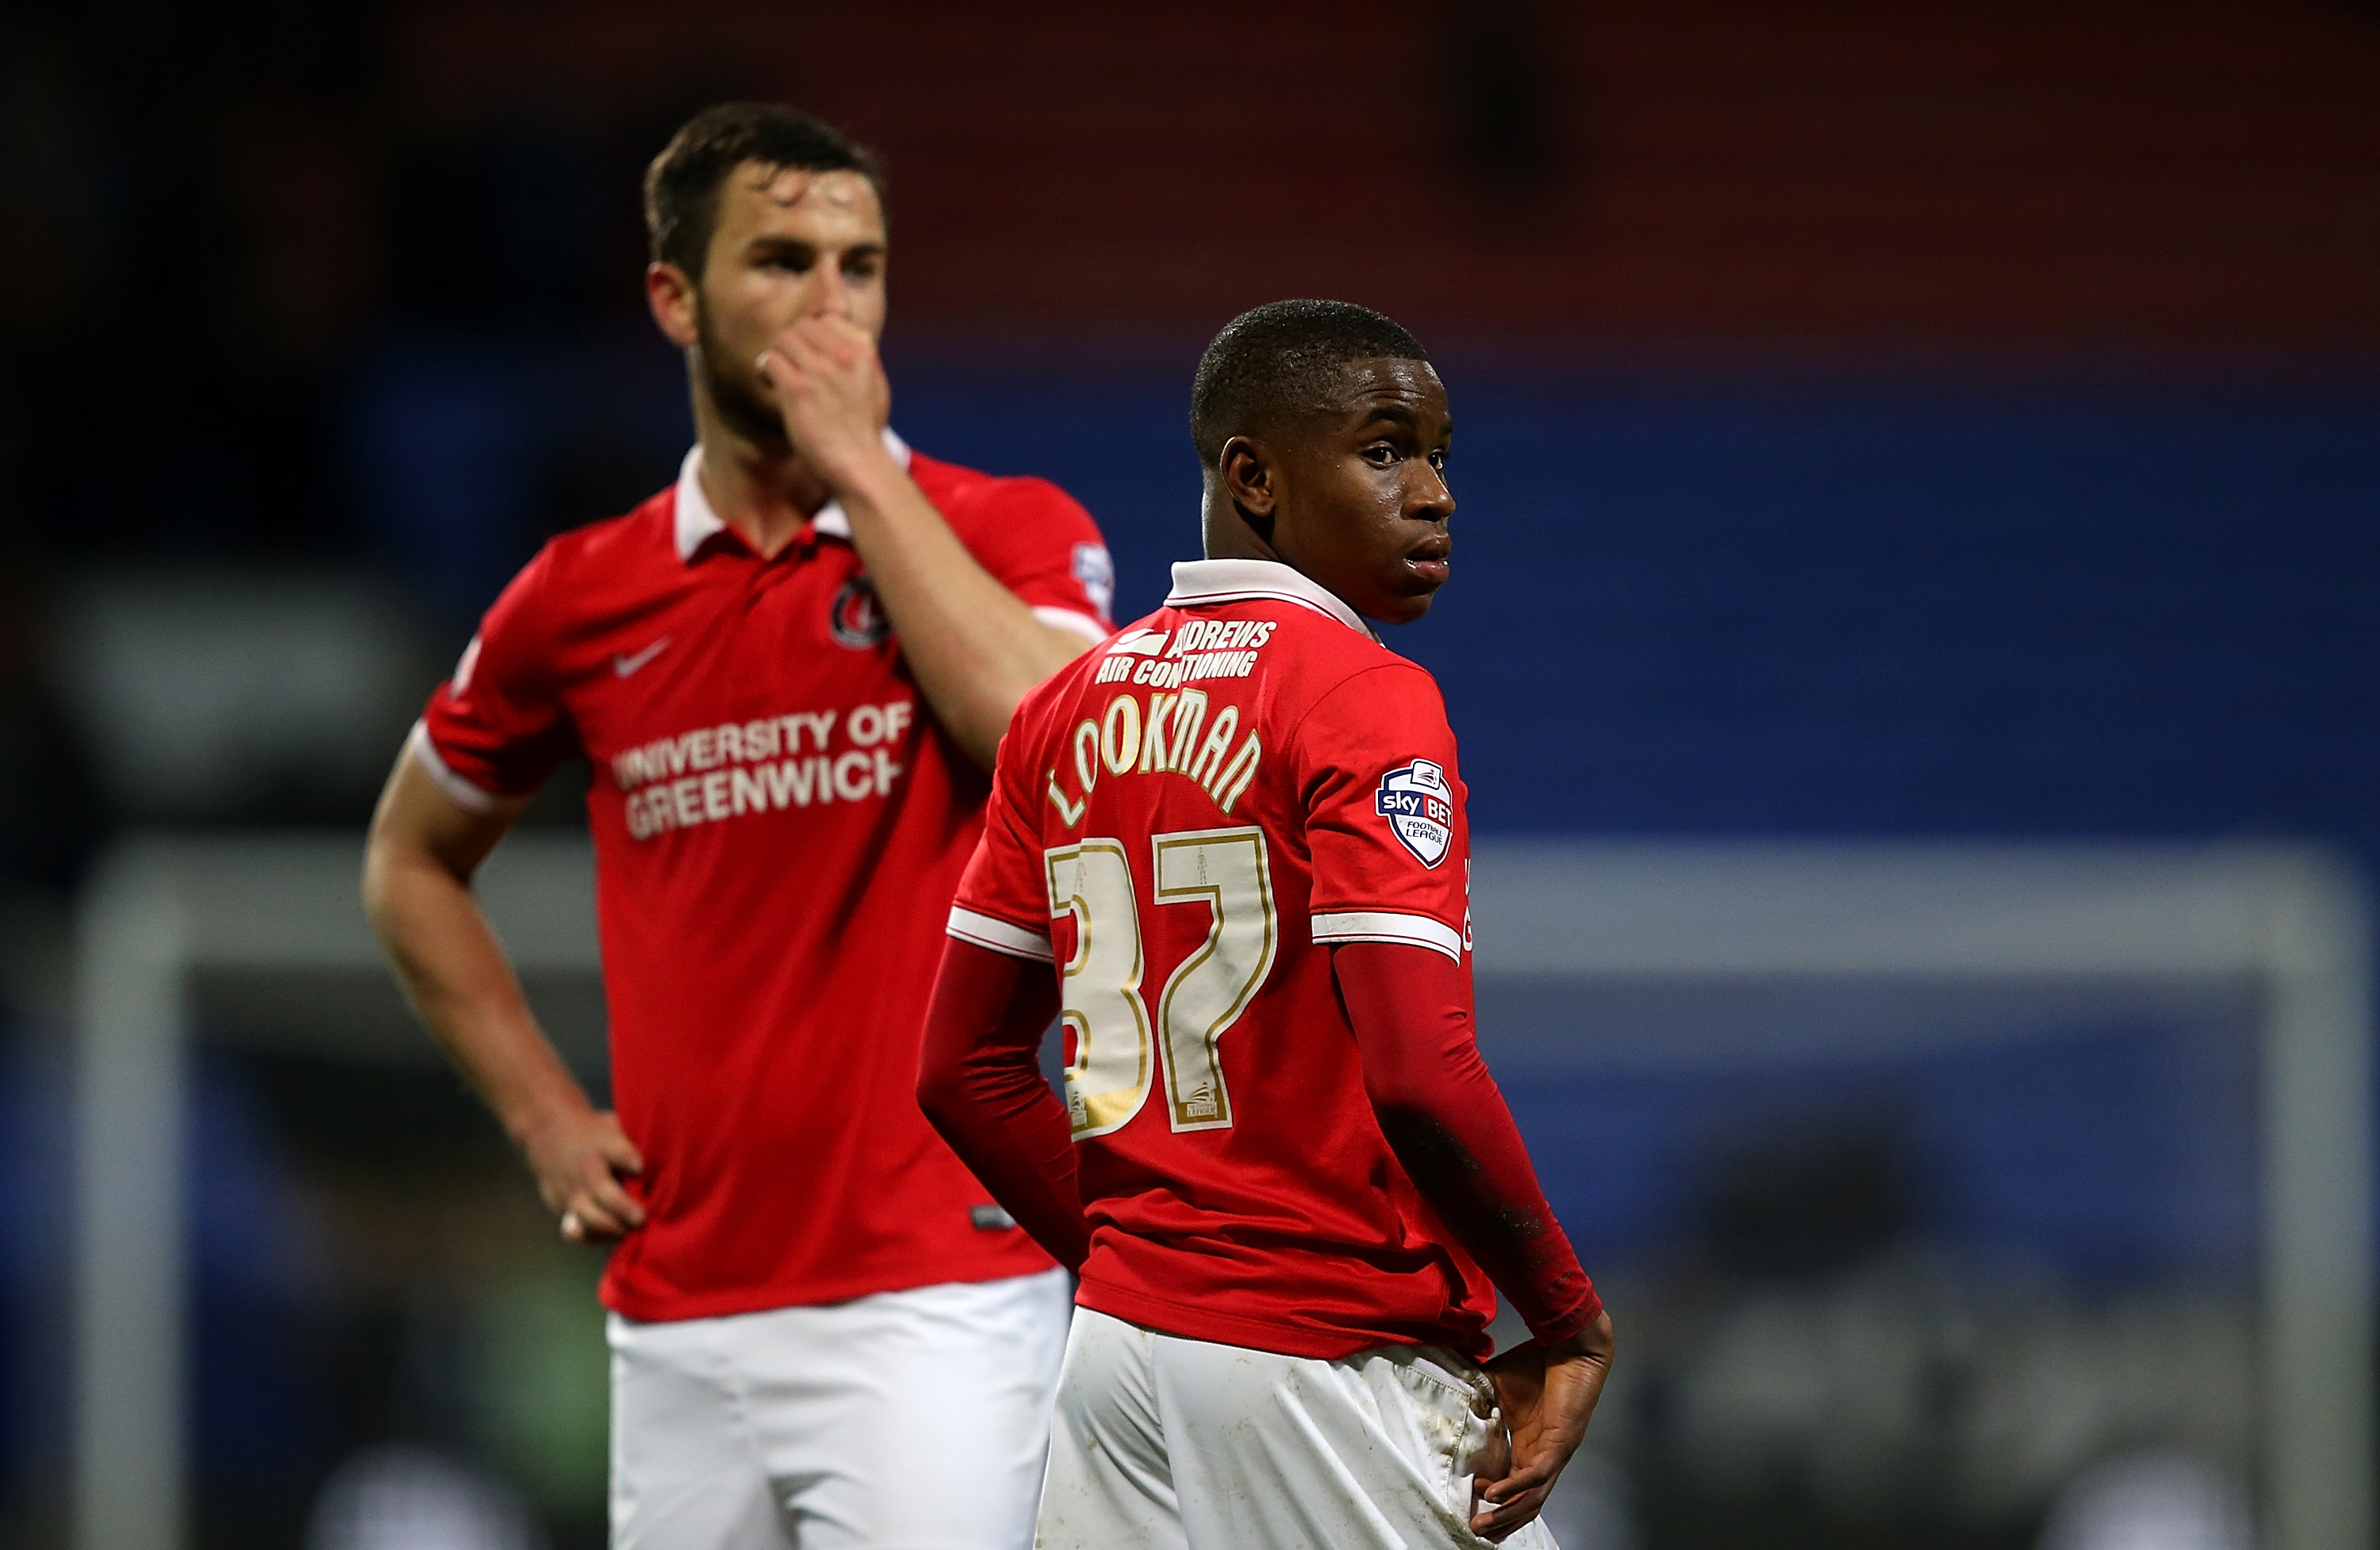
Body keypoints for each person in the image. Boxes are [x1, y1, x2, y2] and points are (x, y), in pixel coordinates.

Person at [362, 103, 1115, 1548]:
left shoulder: (1005, 525)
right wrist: (542, 1113)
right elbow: (409, 860)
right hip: (676, 1318)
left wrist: (862, 473)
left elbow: (1061, 743)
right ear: (674, 297)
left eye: (862, 265)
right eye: (782, 260)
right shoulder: (582, 596)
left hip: (937, 1305)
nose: (832, 305)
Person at [916, 298, 1614, 1548]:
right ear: (1254, 475)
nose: (1437, 492)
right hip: (1324, 1355)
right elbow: (1422, 1072)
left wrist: (1154, 1265)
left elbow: (963, 1068)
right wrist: (1568, 1317)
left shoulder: (1063, 707)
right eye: (1388, 448)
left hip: (1120, 1358)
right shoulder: (1362, 697)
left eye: (1441, 454)